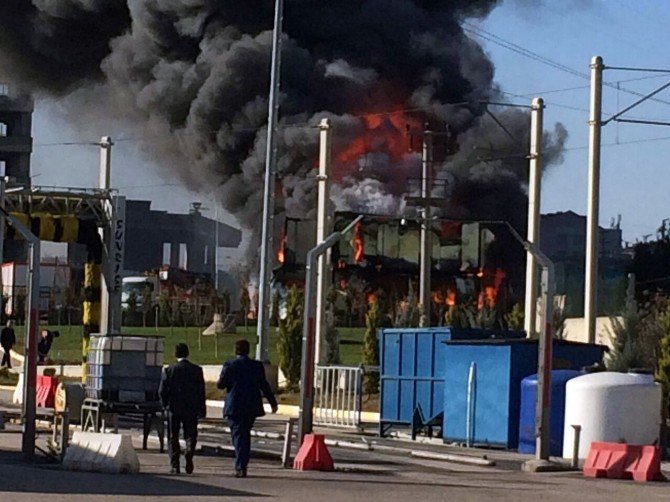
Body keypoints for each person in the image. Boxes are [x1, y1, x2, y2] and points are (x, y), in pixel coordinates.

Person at [217, 339, 278, 478]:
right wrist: (272, 402)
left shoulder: (229, 365)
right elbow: (264, 385)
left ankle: (240, 466)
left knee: (238, 436)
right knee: (244, 435)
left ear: (235, 351)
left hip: (235, 406)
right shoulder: (256, 366)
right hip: (251, 406)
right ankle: (242, 463)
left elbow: (221, 384)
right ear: (248, 350)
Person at [158, 343, 206, 475]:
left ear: (175, 354)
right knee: (190, 434)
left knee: (173, 436)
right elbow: (201, 391)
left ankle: (175, 464)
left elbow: (162, 391)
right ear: (188, 353)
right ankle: (189, 453)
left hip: (174, 407)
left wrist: (165, 405)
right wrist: (202, 408)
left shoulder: (169, 370)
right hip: (191, 407)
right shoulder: (196, 370)